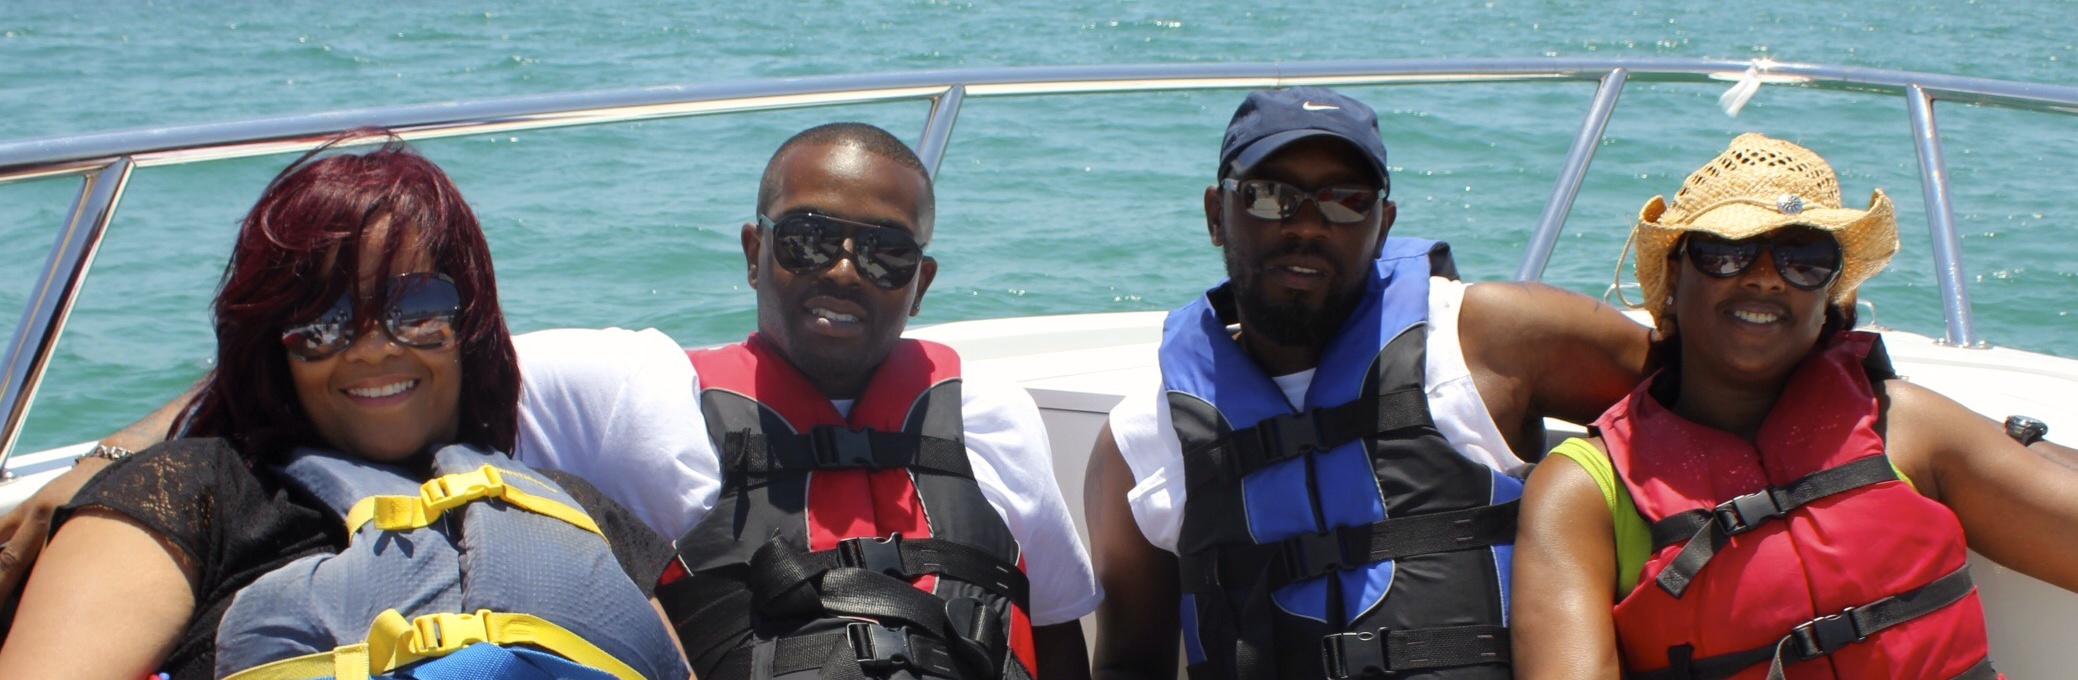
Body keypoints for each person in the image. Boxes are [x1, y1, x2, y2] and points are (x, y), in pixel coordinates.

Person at [0, 138, 690, 680]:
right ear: (275, 343)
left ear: (469, 323)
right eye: (320, 323)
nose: (369, 351)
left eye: (416, 309)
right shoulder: (194, 495)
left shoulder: (571, 507)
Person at [491, 122, 1100, 680]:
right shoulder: (639, 398)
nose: (842, 271)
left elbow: (1052, 632)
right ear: (754, 252)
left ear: (921, 285)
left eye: (885, 253)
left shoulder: (993, 418)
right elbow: (441, 368)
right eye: (807, 240)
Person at [1084, 86, 1655, 680]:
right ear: (1215, 215)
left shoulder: (1489, 338)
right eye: (1269, 196)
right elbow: (1130, 661)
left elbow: (1704, 387)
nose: (1306, 226)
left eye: (1345, 201)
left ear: (1382, 224)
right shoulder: (1140, 441)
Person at [1510, 133, 2078, 679]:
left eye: (1802, 257)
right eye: (1727, 253)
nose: (1765, 279)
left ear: (1830, 293)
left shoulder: (1903, 423)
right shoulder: (1584, 492)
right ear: (1675, 274)